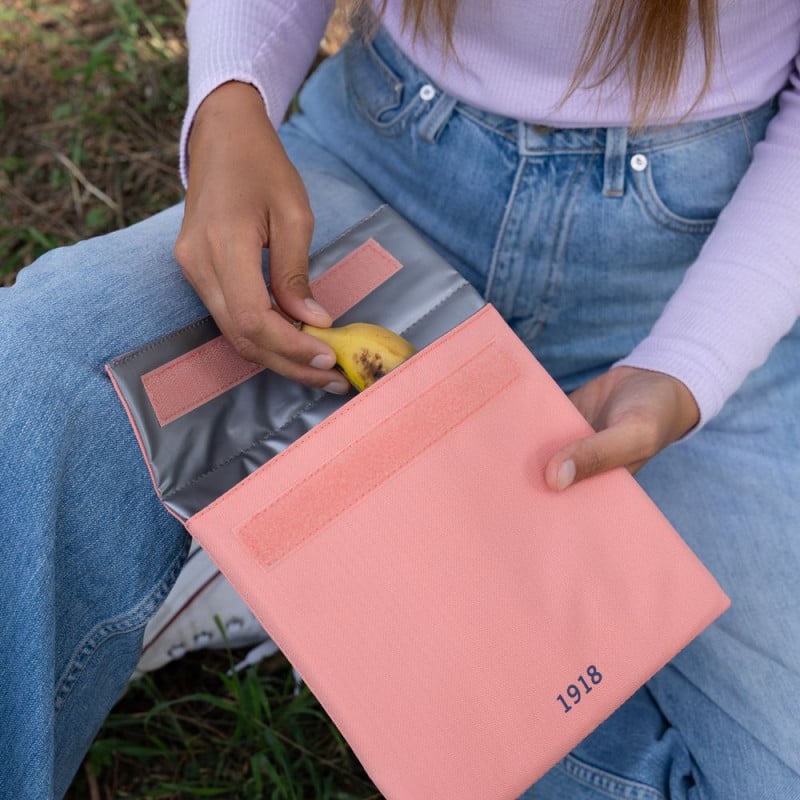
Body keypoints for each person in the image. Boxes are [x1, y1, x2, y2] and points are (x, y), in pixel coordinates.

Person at [1, 0, 799, 797]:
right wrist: (230, 99)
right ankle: (342, 538)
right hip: (383, 174)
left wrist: (693, 363)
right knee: (33, 384)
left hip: (690, 272)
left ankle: (341, 571)